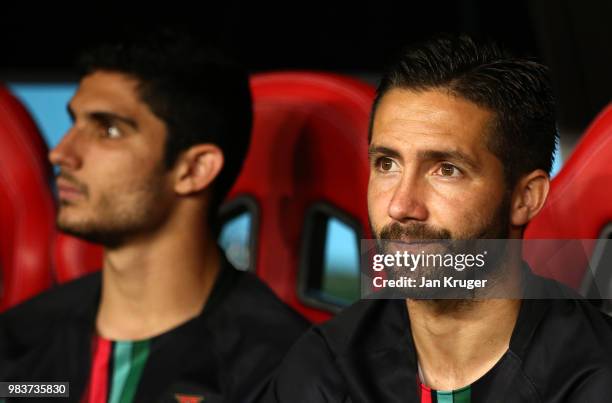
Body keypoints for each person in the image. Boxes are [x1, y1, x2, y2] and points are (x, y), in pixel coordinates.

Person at [260, 35, 612, 402]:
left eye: (446, 169)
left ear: (526, 198)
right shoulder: (328, 366)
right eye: (387, 164)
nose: (401, 205)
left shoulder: (594, 377)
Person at [0, 29, 308, 403]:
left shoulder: (284, 370)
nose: (62, 153)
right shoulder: (17, 342)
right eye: (74, 123)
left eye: (108, 130)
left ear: (194, 170)